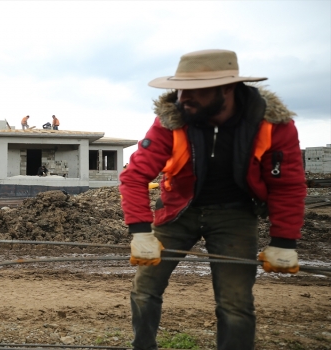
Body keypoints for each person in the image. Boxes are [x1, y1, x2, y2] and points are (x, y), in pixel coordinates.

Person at [119, 49, 306, 350]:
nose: (184, 98)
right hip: (178, 211)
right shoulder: (172, 120)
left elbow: (289, 186)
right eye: (181, 89)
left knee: (236, 303)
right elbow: (134, 176)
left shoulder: (273, 125)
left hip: (236, 215)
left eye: (196, 91)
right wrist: (141, 232)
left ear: (227, 89)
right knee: (145, 289)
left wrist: (284, 242)